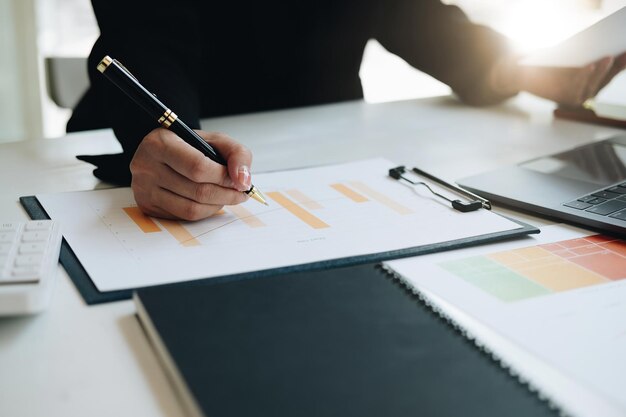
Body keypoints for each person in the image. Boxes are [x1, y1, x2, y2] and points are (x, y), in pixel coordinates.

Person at [68, 0, 626, 221]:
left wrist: (519, 71)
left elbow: (426, 24)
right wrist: (162, 132)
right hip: (156, 143)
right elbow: (143, 38)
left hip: (327, 155)